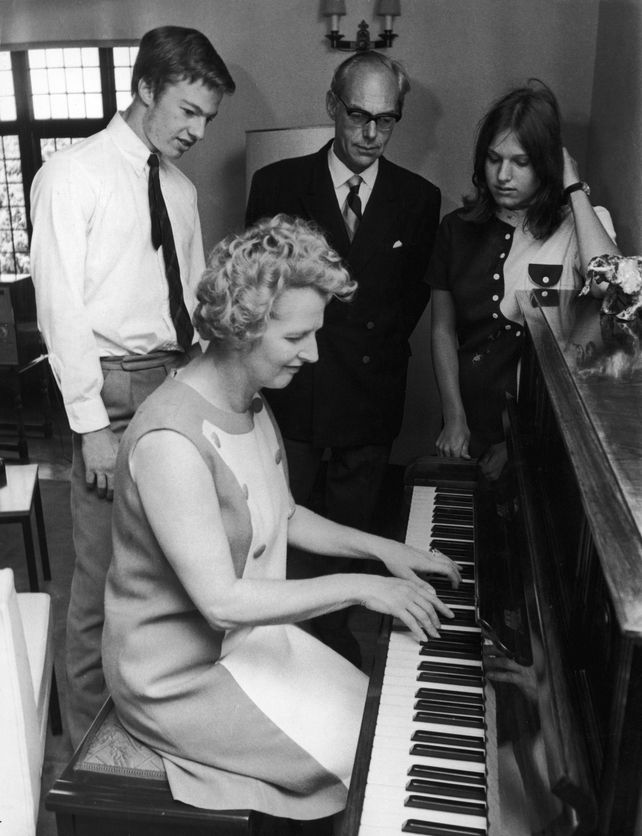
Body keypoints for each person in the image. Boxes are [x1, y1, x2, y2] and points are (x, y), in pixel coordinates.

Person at [102, 215, 461, 823]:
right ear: (242, 329)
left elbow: (283, 514)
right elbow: (220, 602)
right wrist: (365, 587)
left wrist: (384, 550)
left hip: (246, 640)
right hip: (178, 676)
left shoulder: (249, 400)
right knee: (365, 757)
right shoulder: (171, 441)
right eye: (296, 337)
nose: (314, 353)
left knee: (381, 723)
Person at [30, 25, 235, 747]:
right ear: (144, 89)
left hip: (176, 384)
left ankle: (158, 725)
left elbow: (196, 295)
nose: (198, 131)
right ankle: (88, 755)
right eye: (187, 110)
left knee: (175, 565)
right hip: (110, 394)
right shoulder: (70, 176)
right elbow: (60, 312)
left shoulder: (177, 187)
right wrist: (91, 428)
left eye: (207, 117)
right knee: (98, 581)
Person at [245, 51, 441, 664]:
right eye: (359, 115)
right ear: (333, 105)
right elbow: (257, 294)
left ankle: (336, 657)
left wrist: (370, 354)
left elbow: (409, 301)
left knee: (356, 535)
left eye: (388, 119)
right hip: (292, 394)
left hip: (370, 396)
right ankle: (277, 651)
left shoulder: (419, 197)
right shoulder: (276, 184)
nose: (372, 134)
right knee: (279, 533)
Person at [427, 80, 619, 483]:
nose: (502, 175)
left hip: (542, 437)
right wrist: (454, 419)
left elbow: (611, 286)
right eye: (494, 159)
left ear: (547, 164)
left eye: (522, 162)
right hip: (465, 423)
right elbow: (443, 331)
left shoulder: (581, 226)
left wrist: (573, 188)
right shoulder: (455, 229)